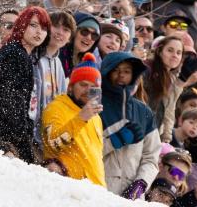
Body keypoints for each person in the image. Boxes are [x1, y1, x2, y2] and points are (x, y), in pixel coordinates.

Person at [0, 6, 50, 163]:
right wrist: (21, 140)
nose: (39, 32)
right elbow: (10, 102)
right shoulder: (16, 54)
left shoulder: (17, 52)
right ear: (22, 25)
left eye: (44, 27)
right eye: (33, 25)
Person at [100, 50, 161, 198]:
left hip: (133, 198)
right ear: (106, 72)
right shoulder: (95, 106)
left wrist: (141, 183)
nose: (121, 75)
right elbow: (86, 152)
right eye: (116, 70)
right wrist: (115, 140)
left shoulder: (144, 112)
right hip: (100, 191)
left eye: (127, 71)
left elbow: (151, 157)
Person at [41, 53, 105, 186]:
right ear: (71, 87)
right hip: (69, 190)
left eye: (93, 87)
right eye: (83, 85)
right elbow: (52, 144)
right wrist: (80, 119)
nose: (88, 90)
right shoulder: (56, 107)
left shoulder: (96, 117)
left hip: (96, 193)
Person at [144, 35, 197, 144]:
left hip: (154, 134)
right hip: (141, 132)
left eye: (179, 53)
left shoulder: (171, 76)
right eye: (170, 50)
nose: (174, 56)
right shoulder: (147, 70)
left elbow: (169, 108)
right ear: (159, 51)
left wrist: (166, 138)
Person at [31, 11, 73, 144]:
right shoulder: (34, 56)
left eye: (66, 29)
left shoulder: (58, 63)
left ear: (70, 38)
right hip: (30, 135)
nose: (60, 32)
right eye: (56, 26)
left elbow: (60, 100)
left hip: (47, 138)